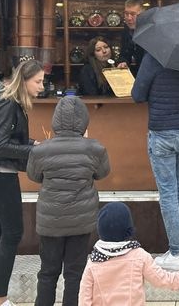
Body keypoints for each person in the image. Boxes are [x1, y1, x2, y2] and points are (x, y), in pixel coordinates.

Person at [27, 96, 111, 306]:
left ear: (55, 120)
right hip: (81, 222)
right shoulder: (95, 148)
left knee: (47, 272)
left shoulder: (40, 150)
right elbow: (102, 173)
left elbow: (34, 176)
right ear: (84, 121)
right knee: (75, 274)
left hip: (50, 222)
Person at [0, 59, 45, 306]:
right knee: (12, 233)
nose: (41, 87)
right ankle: (0, 299)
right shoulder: (7, 102)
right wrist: (31, 149)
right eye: (38, 81)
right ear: (24, 80)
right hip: (1, 173)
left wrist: (31, 143)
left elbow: (0, 138)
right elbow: (1, 145)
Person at [132, 53, 179, 271]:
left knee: (169, 193)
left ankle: (176, 253)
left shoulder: (153, 57)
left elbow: (137, 94)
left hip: (162, 131)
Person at [78, 202, 179, 305]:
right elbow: (164, 280)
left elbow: (84, 300)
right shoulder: (139, 256)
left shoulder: (93, 262)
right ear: (129, 227)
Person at [117, 0, 146, 76]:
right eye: (126, 14)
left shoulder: (151, 31)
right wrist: (123, 62)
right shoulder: (126, 30)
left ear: (143, 15)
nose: (129, 18)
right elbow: (125, 52)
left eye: (133, 14)